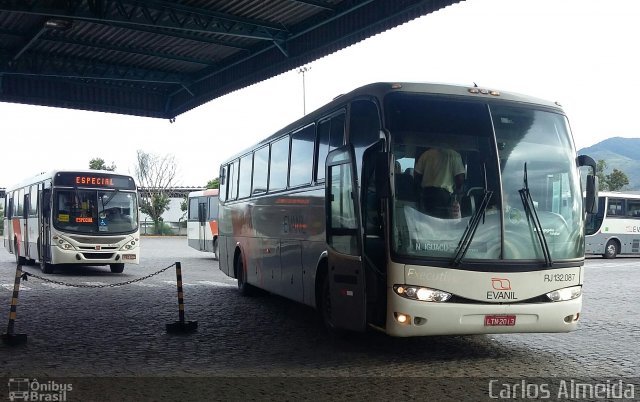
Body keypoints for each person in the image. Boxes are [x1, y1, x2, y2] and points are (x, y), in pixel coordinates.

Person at [413, 147, 465, 218]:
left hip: (426, 195)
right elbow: (460, 178)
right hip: (443, 197)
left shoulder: (426, 154)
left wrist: (421, 189)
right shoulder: (454, 155)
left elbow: (416, 174)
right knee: (442, 224)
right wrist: (457, 192)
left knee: (425, 220)